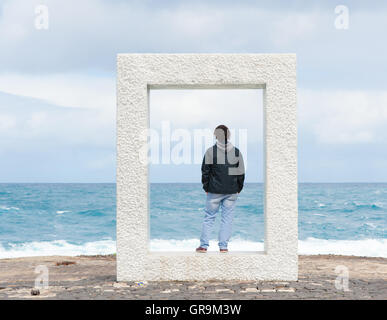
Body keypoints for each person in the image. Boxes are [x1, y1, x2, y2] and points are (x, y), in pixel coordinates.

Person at [196, 125, 245, 253]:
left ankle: (204, 246)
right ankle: (223, 247)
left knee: (209, 217)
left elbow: (205, 172)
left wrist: (206, 187)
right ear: (228, 136)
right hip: (232, 190)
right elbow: (240, 173)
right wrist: (238, 187)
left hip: (214, 190)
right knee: (227, 219)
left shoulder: (210, 151)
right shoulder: (236, 152)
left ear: (215, 136)